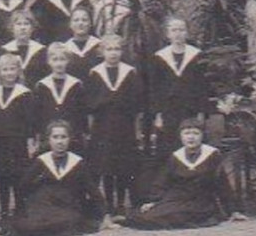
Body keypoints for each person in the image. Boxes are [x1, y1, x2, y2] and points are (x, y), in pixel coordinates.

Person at [0, 120, 113, 236]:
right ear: (49, 139)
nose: (59, 142)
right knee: (30, 224)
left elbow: (93, 191)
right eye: (55, 137)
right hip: (44, 206)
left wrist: (105, 214)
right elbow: (23, 185)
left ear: (69, 139)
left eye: (63, 137)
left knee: (69, 220)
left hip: (67, 207)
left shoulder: (77, 162)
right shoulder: (41, 161)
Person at [124, 118, 245, 230]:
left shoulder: (212, 155)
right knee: (141, 215)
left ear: (202, 136)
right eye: (186, 133)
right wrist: (153, 201)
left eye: (195, 133)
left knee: (167, 216)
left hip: (200, 201)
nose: (191, 137)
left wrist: (233, 210)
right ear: (181, 137)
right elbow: (163, 181)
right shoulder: (176, 156)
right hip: (177, 198)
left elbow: (222, 183)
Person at [85, 34, 144, 219]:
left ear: (122, 51)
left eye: (117, 49)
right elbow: (90, 105)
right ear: (102, 52)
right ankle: (109, 203)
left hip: (124, 124)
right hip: (103, 125)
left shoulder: (129, 73)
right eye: (109, 49)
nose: (113, 53)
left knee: (122, 166)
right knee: (107, 165)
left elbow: (136, 105)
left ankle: (120, 203)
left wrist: (137, 130)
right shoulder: (95, 73)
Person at [0, 53, 36, 221]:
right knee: (3, 178)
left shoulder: (24, 93)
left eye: (12, 69)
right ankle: (4, 213)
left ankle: (20, 210)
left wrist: (30, 141)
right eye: (5, 69)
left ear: (18, 71)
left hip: (18, 141)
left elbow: (29, 120)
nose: (9, 73)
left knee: (19, 177)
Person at [147, 16, 208, 153]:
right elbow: (155, 88)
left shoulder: (197, 55)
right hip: (169, 110)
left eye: (181, 29)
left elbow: (202, 86)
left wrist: (201, 112)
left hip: (190, 109)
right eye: (174, 30)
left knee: (192, 144)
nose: (178, 33)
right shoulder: (159, 57)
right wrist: (157, 114)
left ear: (187, 32)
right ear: (167, 34)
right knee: (169, 146)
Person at [35, 42, 89, 145]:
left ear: (68, 61)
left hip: (72, 136)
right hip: (48, 137)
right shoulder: (41, 86)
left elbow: (82, 114)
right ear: (48, 61)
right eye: (55, 59)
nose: (59, 63)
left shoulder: (76, 85)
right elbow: (37, 115)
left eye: (62, 59)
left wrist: (84, 134)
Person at [0, 10, 49, 86]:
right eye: (19, 24)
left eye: (26, 24)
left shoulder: (41, 51)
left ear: (32, 28)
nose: (23, 27)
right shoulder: (4, 50)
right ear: (12, 28)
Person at [62, 6, 102, 81]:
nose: (80, 23)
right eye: (76, 20)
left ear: (90, 23)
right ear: (70, 24)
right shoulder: (64, 49)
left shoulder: (100, 46)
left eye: (84, 20)